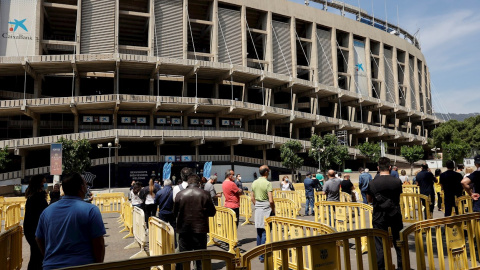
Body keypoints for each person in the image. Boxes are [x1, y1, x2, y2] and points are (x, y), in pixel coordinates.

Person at [36, 173, 105, 270]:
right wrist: (98, 265)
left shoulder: (47, 212)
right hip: (83, 265)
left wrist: (50, 258)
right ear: (82, 188)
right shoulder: (91, 210)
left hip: (51, 266)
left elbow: (39, 238)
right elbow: (99, 244)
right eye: (85, 184)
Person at [367, 157, 403, 270]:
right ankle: (401, 266)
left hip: (379, 216)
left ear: (378, 168)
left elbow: (369, 199)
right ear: (390, 167)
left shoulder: (372, 183)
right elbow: (398, 196)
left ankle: (381, 267)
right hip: (395, 214)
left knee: (379, 244)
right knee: (398, 242)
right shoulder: (397, 181)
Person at [174, 174, 216, 270]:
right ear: (199, 183)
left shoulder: (180, 194)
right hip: (200, 229)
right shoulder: (205, 194)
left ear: (188, 183)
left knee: (183, 256)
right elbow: (212, 212)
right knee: (200, 257)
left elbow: (175, 213)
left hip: (184, 229)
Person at [24, 175, 49, 270]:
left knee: (36, 256)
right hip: (35, 232)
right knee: (37, 257)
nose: (45, 184)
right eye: (43, 182)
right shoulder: (36, 198)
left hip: (34, 232)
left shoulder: (35, 197)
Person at [251, 165, 275, 263]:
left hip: (258, 208)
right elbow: (271, 200)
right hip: (266, 209)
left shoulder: (254, 182)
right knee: (266, 232)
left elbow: (252, 198)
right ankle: (263, 255)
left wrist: (258, 205)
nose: (269, 173)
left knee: (259, 232)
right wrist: (273, 210)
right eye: (268, 171)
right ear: (266, 172)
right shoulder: (268, 183)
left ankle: (259, 253)